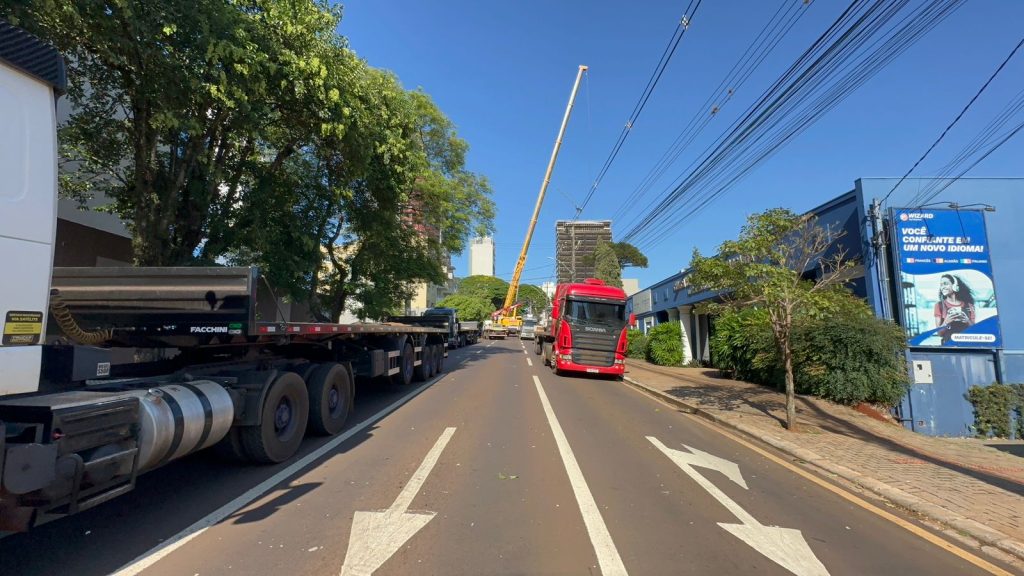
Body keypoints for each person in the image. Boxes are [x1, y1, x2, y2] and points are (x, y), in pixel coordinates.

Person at [933, 274, 975, 345]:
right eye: (941, 285)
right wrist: (946, 322)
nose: (943, 287)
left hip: (967, 346)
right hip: (949, 347)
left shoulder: (969, 306)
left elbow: (975, 330)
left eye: (945, 284)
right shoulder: (939, 306)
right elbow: (939, 333)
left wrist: (967, 321)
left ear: (954, 285)